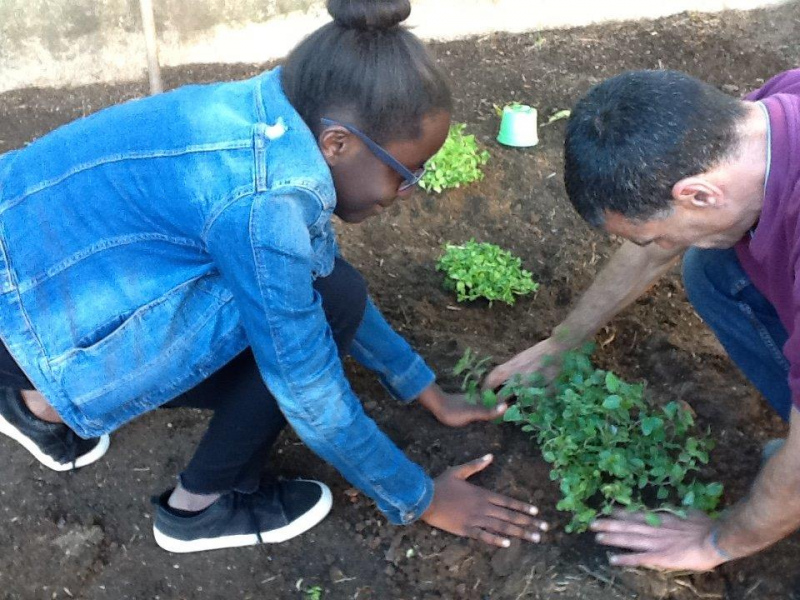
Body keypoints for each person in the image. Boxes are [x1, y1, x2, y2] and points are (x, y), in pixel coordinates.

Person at [0, 0, 548, 553]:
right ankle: (199, 509)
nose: (407, 193)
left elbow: (325, 271)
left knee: (330, 292)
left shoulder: (275, 114)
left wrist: (425, 389)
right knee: (306, 326)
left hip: (25, 266)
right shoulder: (266, 206)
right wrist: (420, 497)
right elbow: (307, 388)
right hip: (23, 313)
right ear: (337, 143)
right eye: (405, 174)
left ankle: (32, 404)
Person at [485, 68, 800, 571]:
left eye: (650, 235)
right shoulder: (760, 122)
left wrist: (719, 542)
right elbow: (661, 247)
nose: (654, 248)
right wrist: (561, 343)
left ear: (698, 194)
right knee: (712, 263)